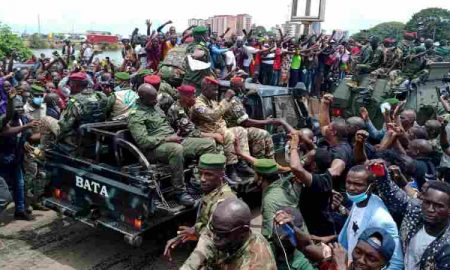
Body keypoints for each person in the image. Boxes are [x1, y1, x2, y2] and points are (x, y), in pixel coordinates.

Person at [127, 83, 217, 207]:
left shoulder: (155, 107)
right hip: (153, 150)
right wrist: (167, 138)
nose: (155, 101)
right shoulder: (135, 115)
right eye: (152, 99)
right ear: (142, 98)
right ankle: (179, 191)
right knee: (176, 149)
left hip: (172, 140)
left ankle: (200, 181)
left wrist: (178, 132)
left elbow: (166, 125)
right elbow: (144, 141)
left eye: (155, 98)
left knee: (208, 144)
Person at [373, 160, 450, 270]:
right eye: (427, 202)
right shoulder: (415, 211)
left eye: (439, 206)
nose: (430, 209)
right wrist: (381, 172)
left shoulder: (447, 246)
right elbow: (391, 193)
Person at [169, 153, 236, 268]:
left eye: (208, 174)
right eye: (200, 174)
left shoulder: (223, 202)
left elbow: (217, 237)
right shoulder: (212, 192)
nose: (202, 179)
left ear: (221, 175)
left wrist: (195, 232)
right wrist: (188, 232)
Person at [338, 165, 404, 269]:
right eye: (348, 182)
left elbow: (397, 264)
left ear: (371, 187)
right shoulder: (357, 202)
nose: (351, 188)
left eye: (357, 184)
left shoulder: (381, 219)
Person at [191, 77, 250, 183]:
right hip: (208, 132)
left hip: (219, 129)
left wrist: (233, 101)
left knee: (241, 130)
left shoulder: (212, 101)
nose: (216, 92)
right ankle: (230, 169)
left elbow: (221, 115)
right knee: (228, 135)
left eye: (217, 89)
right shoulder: (198, 104)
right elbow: (213, 116)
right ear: (204, 89)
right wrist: (226, 99)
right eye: (213, 90)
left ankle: (242, 163)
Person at [200, 197, 277, 269]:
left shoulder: (253, 265)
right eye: (214, 230)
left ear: (243, 231)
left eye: (222, 234)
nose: (215, 237)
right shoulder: (241, 238)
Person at [57, 72, 110, 150]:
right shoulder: (101, 96)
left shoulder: (74, 102)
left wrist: (58, 138)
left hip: (78, 139)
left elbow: (64, 126)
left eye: (70, 84)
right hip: (97, 136)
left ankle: (43, 153)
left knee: (46, 120)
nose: (69, 86)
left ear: (75, 85)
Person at [182, 26, 214, 92]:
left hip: (190, 81)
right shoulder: (197, 47)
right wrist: (198, 54)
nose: (208, 36)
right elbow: (197, 52)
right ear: (201, 36)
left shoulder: (195, 44)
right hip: (195, 85)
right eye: (206, 34)